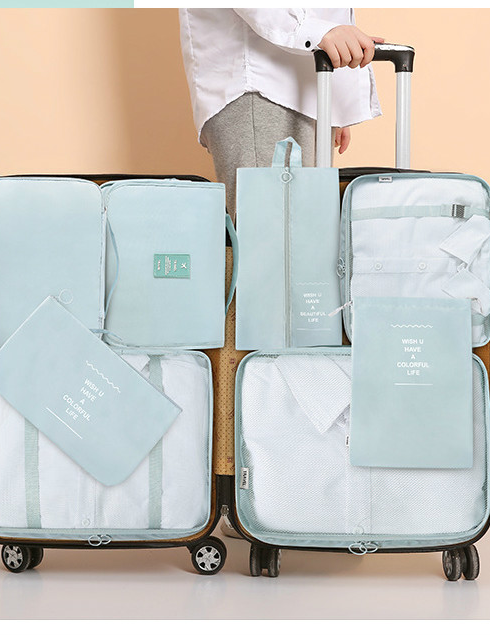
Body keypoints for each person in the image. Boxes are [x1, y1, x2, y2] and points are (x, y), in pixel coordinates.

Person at [179, 9, 383, 540]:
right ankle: (246, 488)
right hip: (259, 84)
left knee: (299, 291)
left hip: (299, 83)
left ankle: (291, 483)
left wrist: (336, 99)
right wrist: (319, 35)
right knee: (266, 292)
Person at [178, 8, 383, 220]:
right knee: (266, 228)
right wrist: (316, 30)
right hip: (259, 81)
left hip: (313, 82)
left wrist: (336, 108)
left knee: (308, 227)